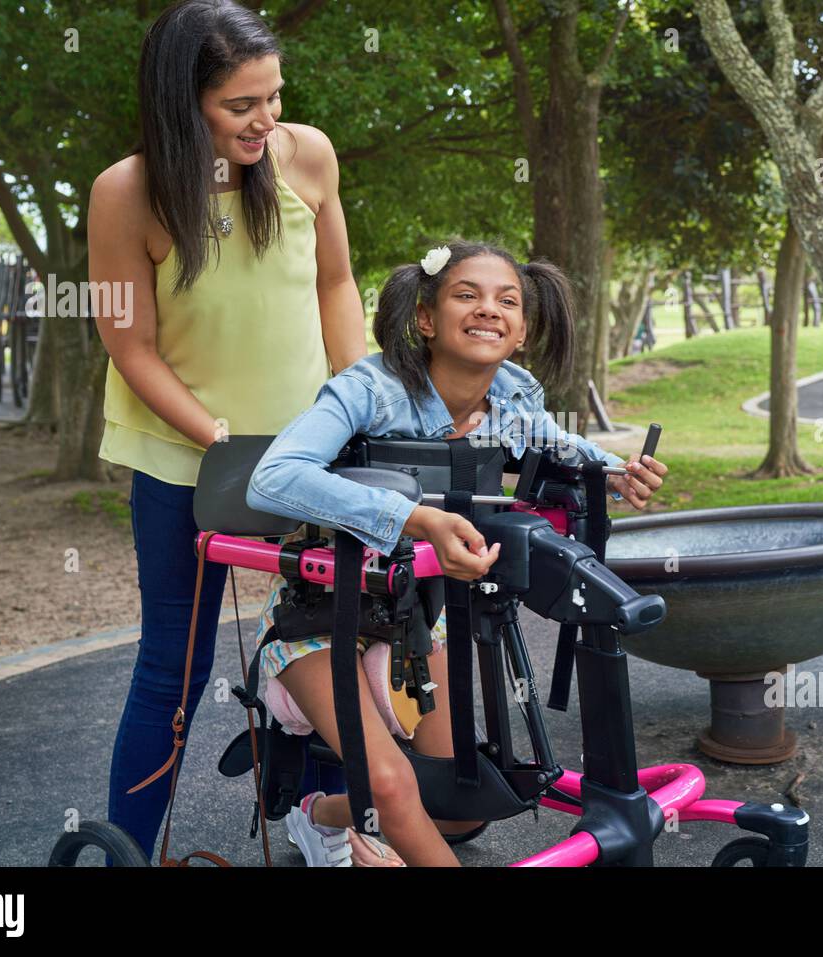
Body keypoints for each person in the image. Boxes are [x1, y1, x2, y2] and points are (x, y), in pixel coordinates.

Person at [245, 240, 669, 866]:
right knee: (391, 784)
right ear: (425, 319)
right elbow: (272, 478)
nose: (488, 310)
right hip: (318, 615)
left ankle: (319, 817)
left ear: (522, 330)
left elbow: (560, 445)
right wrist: (414, 518)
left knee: (461, 800)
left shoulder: (513, 401)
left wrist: (614, 472)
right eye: (466, 295)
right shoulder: (369, 388)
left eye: (507, 301)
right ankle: (370, 807)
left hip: (419, 617)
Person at [89, 0, 371, 864]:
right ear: (184, 103)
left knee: (344, 634)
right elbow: (126, 339)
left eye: (273, 95)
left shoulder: (307, 156)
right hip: (185, 459)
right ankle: (127, 850)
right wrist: (214, 434)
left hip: (310, 456)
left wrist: (354, 403)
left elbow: (336, 285)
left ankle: (327, 820)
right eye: (239, 105)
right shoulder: (125, 192)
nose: (266, 119)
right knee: (172, 662)